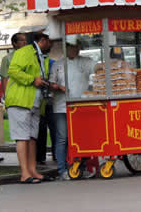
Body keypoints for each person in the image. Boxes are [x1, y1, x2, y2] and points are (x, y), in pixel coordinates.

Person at [5, 31, 54, 184]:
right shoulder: (25, 51)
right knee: (22, 137)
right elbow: (13, 71)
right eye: (49, 41)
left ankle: (32, 170)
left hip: (34, 101)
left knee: (33, 138)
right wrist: (33, 80)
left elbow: (39, 77)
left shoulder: (42, 57)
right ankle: (24, 173)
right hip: (20, 101)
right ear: (42, 40)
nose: (51, 45)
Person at [49, 40, 98, 180]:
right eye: (72, 47)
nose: (75, 49)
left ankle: (82, 167)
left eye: (77, 47)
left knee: (82, 139)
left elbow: (97, 67)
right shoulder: (58, 65)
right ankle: (62, 170)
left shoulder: (86, 61)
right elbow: (51, 84)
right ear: (66, 48)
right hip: (61, 106)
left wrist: (108, 66)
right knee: (62, 139)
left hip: (81, 106)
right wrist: (58, 87)